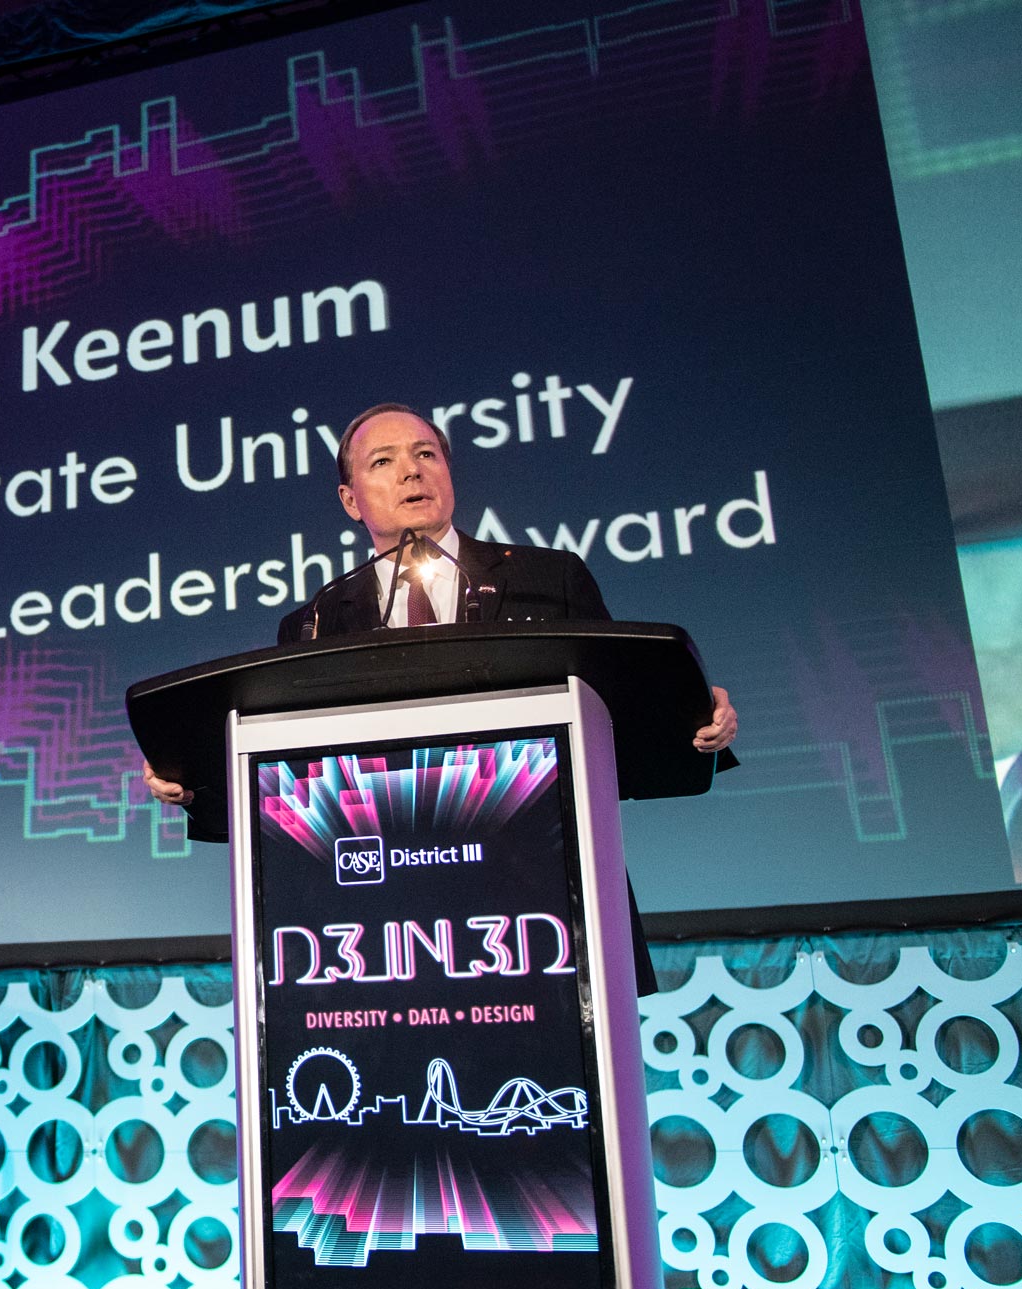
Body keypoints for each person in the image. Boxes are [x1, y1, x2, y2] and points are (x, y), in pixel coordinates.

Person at [142, 403, 739, 992]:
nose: (412, 471)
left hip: (546, 897)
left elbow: (618, 720)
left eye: (426, 454)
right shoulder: (317, 622)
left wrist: (690, 721)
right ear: (351, 500)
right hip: (381, 919)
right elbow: (296, 782)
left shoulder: (549, 577)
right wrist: (197, 782)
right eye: (384, 460)